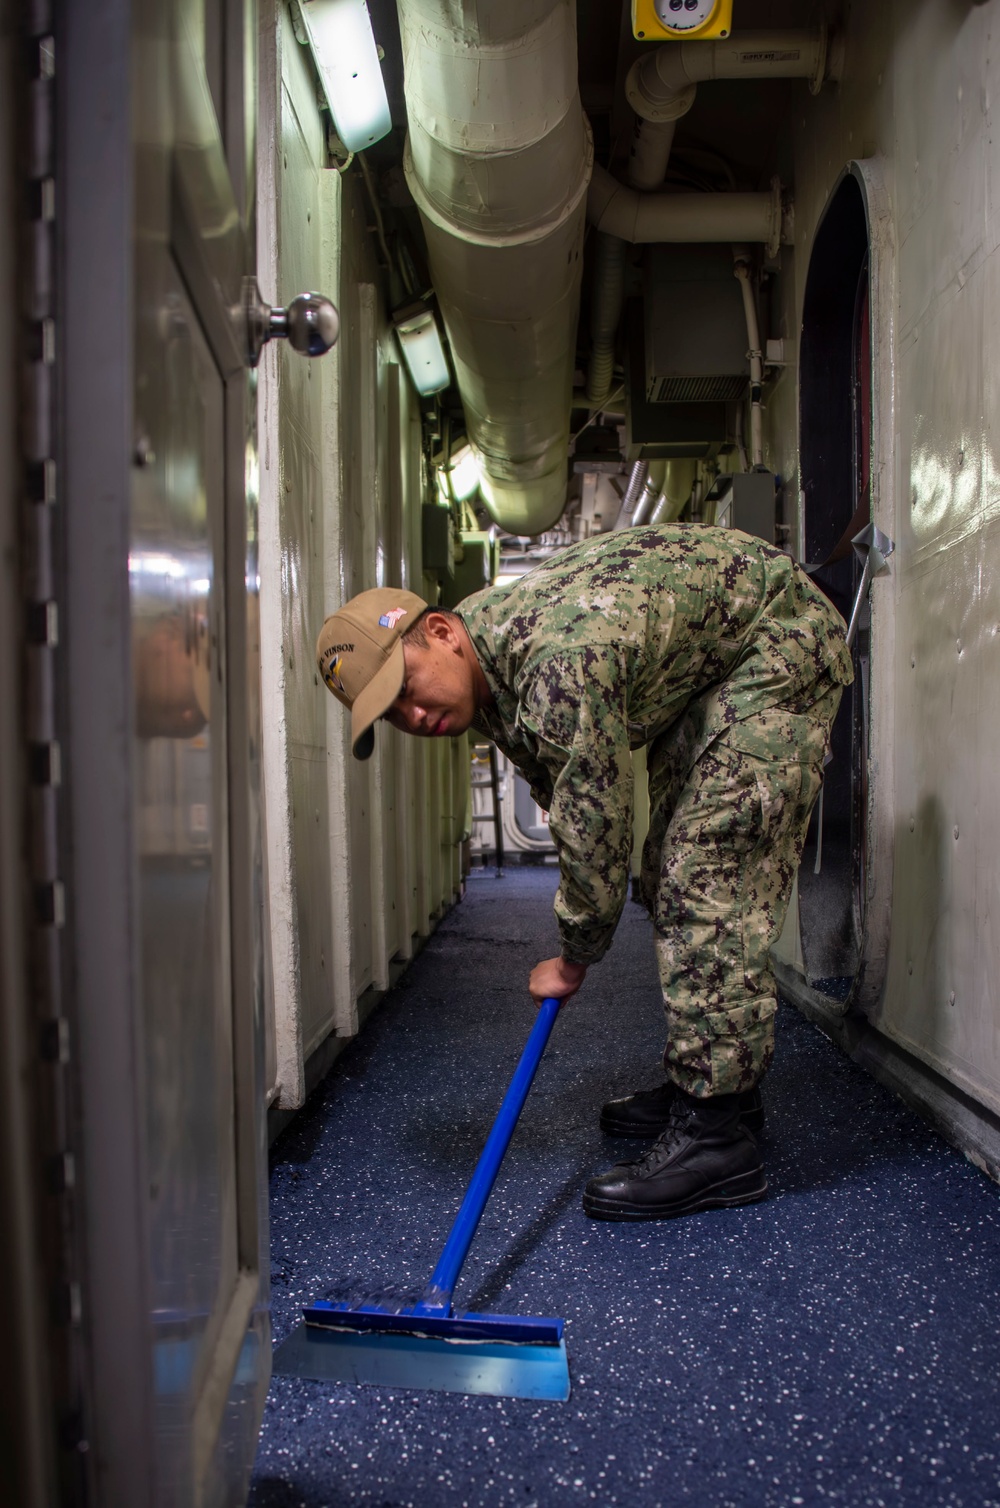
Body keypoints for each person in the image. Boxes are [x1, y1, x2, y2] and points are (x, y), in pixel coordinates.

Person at [315, 524, 853, 1222]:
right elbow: (564, 786)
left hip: (777, 643)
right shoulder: (488, 666)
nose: (415, 716)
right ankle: (717, 1082)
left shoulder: (551, 661)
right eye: (395, 715)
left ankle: (717, 1136)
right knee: (666, 868)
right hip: (715, 669)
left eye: (408, 688)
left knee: (705, 873)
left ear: (442, 631)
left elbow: (594, 818)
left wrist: (574, 955)